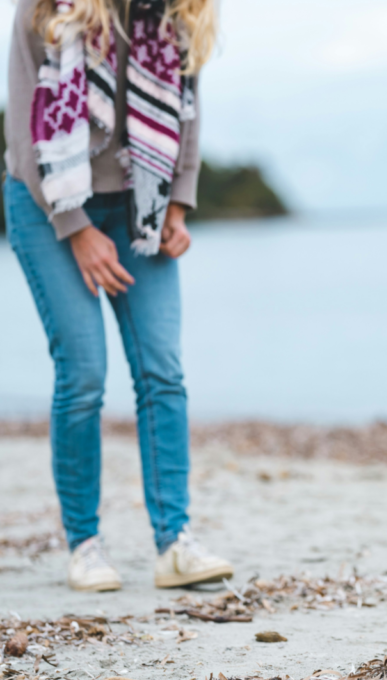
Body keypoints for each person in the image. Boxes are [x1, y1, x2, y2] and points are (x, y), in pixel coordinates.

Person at [4, 0, 232, 592]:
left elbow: (187, 111)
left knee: (163, 371)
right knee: (83, 374)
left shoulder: (178, 11)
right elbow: (26, 138)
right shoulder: (45, 9)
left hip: (141, 201)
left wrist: (178, 205)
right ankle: (84, 545)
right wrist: (77, 230)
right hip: (45, 204)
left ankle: (174, 543)